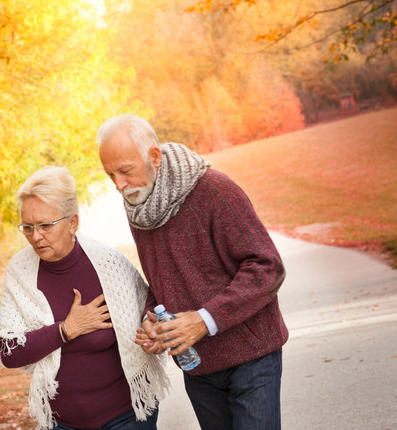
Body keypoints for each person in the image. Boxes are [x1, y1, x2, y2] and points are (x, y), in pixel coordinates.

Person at [96, 114, 289, 430]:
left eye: (125, 171)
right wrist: (152, 319)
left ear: (154, 157)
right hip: (199, 366)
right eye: (110, 175)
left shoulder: (215, 190)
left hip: (252, 357)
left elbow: (267, 267)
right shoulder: (140, 207)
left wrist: (204, 320)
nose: (119, 185)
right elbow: (163, 283)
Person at [0, 166, 169, 430]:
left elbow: (148, 301)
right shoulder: (20, 272)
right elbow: (8, 352)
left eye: (45, 225)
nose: (35, 237)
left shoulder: (107, 263)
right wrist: (65, 330)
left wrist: (149, 324)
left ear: (72, 222)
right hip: (61, 423)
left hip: (126, 416)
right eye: (27, 227)